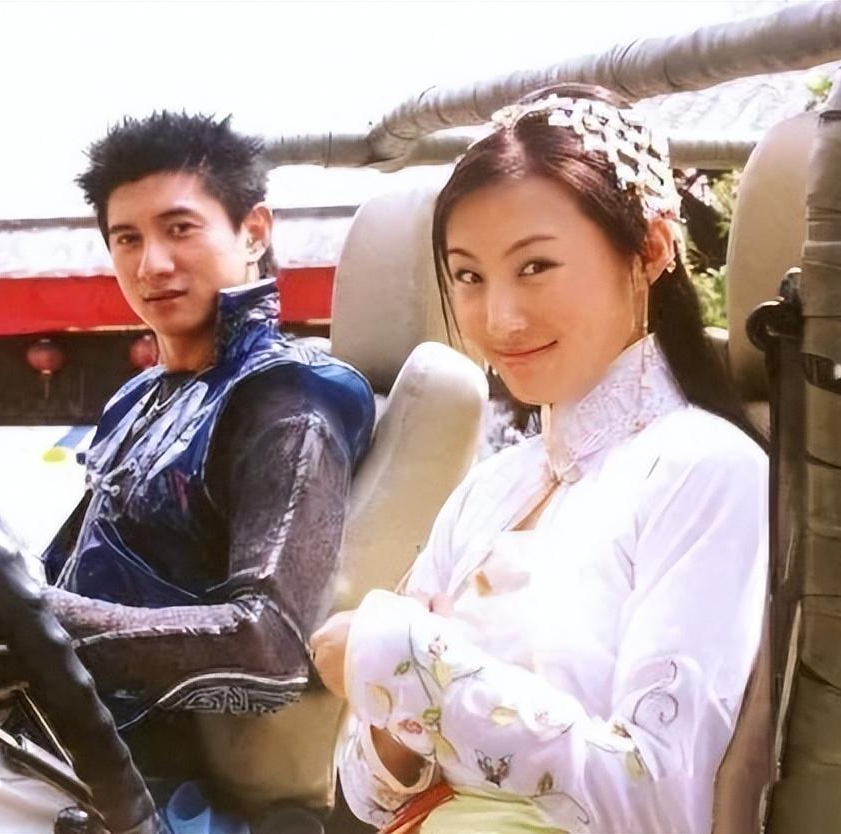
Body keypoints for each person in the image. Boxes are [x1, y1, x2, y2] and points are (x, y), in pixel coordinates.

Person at [311, 85, 767, 834]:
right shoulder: (489, 488)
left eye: (535, 267)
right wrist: (405, 698)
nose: (500, 319)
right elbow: (368, 791)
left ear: (651, 250)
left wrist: (405, 662)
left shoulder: (707, 471)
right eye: (469, 275)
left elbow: (658, 801)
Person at [38, 111, 375, 817]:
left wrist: (35, 617)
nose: (151, 264)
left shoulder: (290, 398)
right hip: (45, 740)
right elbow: (57, 572)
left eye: (180, 228)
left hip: (131, 789)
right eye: (127, 238)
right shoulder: (137, 397)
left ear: (254, 231)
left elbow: (268, 649)